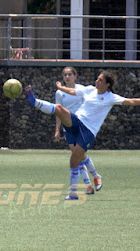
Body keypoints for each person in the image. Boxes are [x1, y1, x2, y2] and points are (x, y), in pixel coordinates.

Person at [26, 71, 140, 200]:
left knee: (74, 159)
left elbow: (131, 101)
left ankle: (75, 191)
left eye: (100, 80)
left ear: (107, 84)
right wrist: (61, 88)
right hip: (77, 121)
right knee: (60, 109)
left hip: (88, 131)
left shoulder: (110, 97)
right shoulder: (90, 90)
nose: (97, 80)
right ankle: (35, 102)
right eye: (97, 78)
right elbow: (73, 91)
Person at [54, 67, 101, 195]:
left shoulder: (81, 90)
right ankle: (89, 185)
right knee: (77, 157)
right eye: (65, 75)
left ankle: (95, 176)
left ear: (75, 76)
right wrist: (57, 130)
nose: (67, 77)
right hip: (68, 127)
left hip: (81, 125)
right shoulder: (59, 93)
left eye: (70, 74)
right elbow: (58, 112)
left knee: (78, 155)